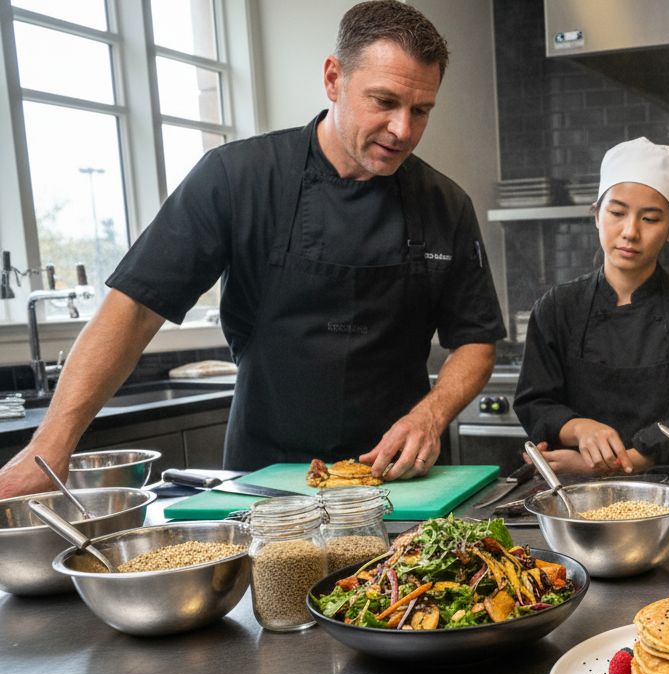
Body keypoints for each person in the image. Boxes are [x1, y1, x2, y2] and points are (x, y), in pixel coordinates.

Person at [0, 1, 504, 494]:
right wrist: (49, 450)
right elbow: (133, 310)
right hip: (264, 483)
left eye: (421, 111)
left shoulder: (445, 204)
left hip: (402, 481)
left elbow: (476, 341)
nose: (403, 130)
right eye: (385, 102)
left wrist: (430, 416)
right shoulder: (235, 178)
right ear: (333, 78)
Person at [514, 138, 669, 475]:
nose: (630, 232)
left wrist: (611, 466)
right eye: (617, 212)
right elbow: (536, 402)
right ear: (597, 214)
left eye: (651, 219)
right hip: (575, 490)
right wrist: (580, 427)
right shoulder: (557, 308)